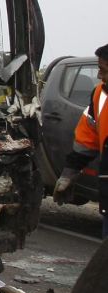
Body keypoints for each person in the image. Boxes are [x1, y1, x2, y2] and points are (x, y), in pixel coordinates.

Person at [53, 43, 108, 237]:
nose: (100, 76)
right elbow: (87, 139)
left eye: (103, 70)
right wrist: (69, 173)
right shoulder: (99, 95)